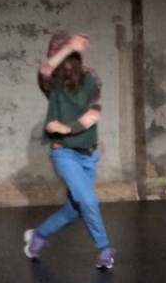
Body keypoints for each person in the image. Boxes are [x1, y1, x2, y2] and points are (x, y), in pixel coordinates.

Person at [23, 32, 116, 269]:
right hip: (64, 153)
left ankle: (38, 236)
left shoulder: (90, 77)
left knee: (74, 210)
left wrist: (67, 128)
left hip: (89, 155)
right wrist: (68, 47)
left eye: (70, 53)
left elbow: (94, 112)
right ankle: (105, 249)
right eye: (60, 52)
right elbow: (45, 70)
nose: (66, 59)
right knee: (89, 201)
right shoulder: (53, 83)